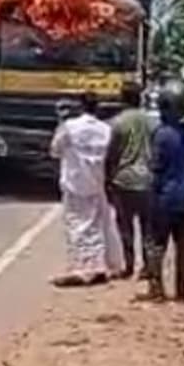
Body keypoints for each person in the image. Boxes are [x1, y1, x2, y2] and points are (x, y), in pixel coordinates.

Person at [49, 92, 127, 287]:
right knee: (98, 225)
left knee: (77, 225)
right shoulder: (105, 129)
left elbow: (55, 150)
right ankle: (98, 265)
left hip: (75, 183)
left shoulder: (69, 127)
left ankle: (83, 268)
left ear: (80, 106)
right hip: (97, 183)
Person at [143, 80, 184, 302]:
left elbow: (155, 165)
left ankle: (157, 289)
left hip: (162, 197)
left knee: (156, 243)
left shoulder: (161, 135)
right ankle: (182, 292)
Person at [103, 82, 158, 281]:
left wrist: (107, 179)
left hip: (124, 180)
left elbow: (111, 155)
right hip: (148, 180)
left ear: (122, 99)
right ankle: (148, 266)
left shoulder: (116, 123)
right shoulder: (152, 123)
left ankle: (129, 265)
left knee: (125, 227)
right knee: (148, 228)